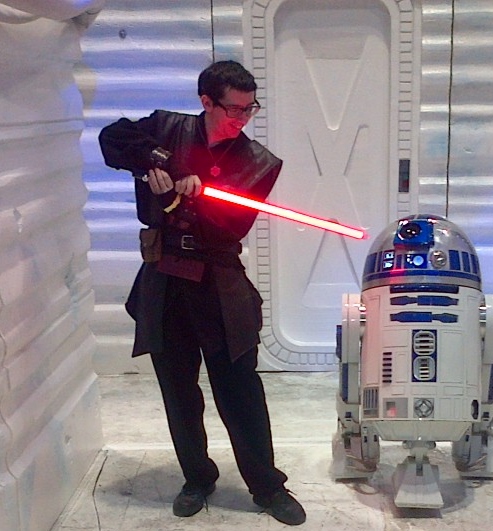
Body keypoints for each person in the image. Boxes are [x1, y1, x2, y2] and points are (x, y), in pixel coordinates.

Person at [98, 60, 306, 526]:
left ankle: (267, 485)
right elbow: (112, 138)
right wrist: (164, 162)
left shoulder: (259, 162)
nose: (243, 118)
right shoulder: (166, 128)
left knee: (240, 391)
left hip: (218, 285)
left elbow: (231, 226)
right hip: (164, 281)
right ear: (206, 101)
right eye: (235, 109)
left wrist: (182, 197)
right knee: (178, 391)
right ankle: (197, 477)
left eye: (251, 108)